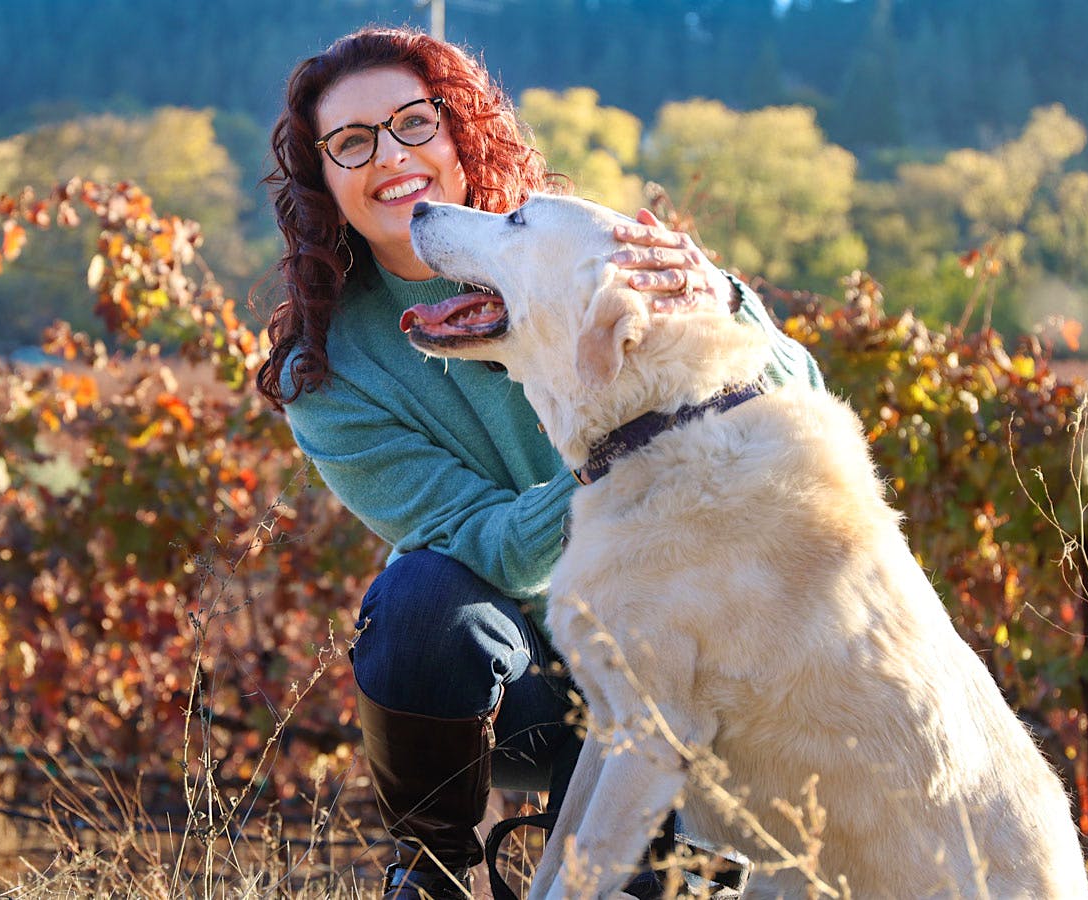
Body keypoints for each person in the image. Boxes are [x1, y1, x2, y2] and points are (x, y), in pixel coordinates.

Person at [255, 26, 823, 899]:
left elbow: (799, 395)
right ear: (323, 177)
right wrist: (634, 461)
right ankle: (434, 872)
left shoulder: (575, 250)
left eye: (414, 122)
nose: (390, 155)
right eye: (352, 142)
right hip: (515, 681)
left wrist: (723, 299)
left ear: (459, 131)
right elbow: (485, 541)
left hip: (684, 650)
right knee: (415, 598)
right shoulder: (326, 370)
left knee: (639, 882)